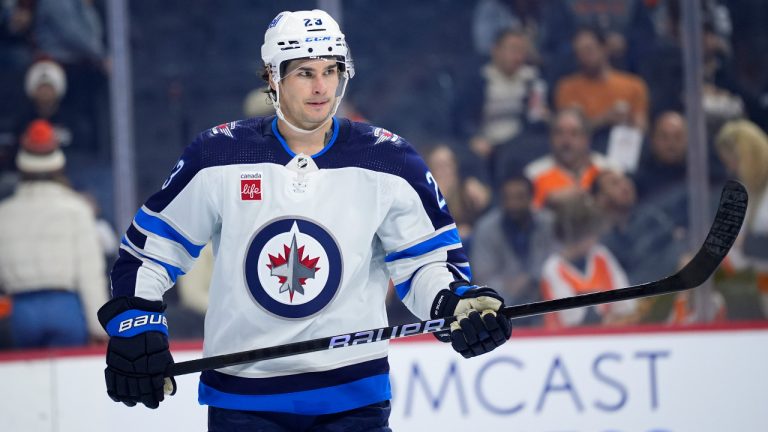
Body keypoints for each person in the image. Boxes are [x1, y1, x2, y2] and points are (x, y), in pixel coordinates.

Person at [96, 9, 512, 431]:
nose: (321, 87)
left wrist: (454, 302)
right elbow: (147, 253)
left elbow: (425, 264)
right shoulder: (218, 156)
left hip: (354, 401)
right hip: (245, 403)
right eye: (304, 73)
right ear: (273, 78)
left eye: (332, 70)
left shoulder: (389, 160)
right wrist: (136, 325)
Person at [0, 119, 107, 347]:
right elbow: (90, 274)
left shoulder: (4, 214)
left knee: (24, 381)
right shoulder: (77, 209)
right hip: (65, 308)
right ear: (58, 164)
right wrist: (99, 329)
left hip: (19, 312)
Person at [470, 172, 556, 326]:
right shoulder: (486, 228)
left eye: (519, 197)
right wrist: (508, 286)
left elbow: (559, 260)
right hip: (503, 309)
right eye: (507, 198)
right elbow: (483, 277)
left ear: (531, 198)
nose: (513, 204)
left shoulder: (548, 223)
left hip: (546, 302)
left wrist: (530, 277)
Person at [540, 193, 637, 329]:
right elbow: (572, 318)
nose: (595, 236)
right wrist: (605, 316)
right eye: (590, 232)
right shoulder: (553, 268)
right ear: (577, 234)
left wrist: (616, 316)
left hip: (611, 332)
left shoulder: (601, 255)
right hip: (568, 341)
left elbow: (627, 302)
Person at [715, 119, 768, 318]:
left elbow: (746, 243)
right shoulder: (750, 192)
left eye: (732, 161)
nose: (731, 169)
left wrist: (746, 243)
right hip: (759, 293)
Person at [555, 26, 649, 133]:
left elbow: (641, 129)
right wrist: (604, 119)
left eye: (589, 50)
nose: (584, 56)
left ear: (604, 48)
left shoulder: (634, 85)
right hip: (584, 148)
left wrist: (627, 121)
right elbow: (567, 132)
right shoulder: (567, 88)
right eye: (579, 52)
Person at [524, 108, 610, 208]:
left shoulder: (607, 169)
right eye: (559, 133)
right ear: (550, 138)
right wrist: (546, 202)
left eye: (574, 133)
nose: (566, 141)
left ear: (587, 139)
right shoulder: (533, 175)